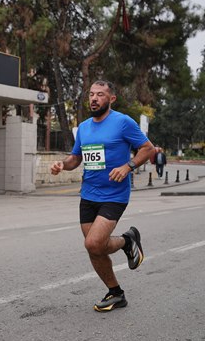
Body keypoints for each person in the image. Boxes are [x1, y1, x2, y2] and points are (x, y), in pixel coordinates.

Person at [50, 80, 155, 312]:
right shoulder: (84, 127)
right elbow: (75, 158)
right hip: (88, 194)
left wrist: (128, 166)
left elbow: (148, 149)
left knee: (93, 243)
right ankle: (116, 292)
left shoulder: (122, 122)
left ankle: (127, 241)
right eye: (91, 94)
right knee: (95, 249)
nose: (94, 99)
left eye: (100, 94)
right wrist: (62, 165)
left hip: (114, 195)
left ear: (111, 99)